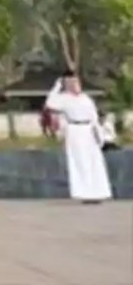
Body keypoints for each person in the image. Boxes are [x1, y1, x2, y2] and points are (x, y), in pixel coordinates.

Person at [45, 71, 113, 204]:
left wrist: (100, 136)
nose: (76, 85)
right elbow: (49, 104)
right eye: (72, 82)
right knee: (80, 162)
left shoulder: (86, 98)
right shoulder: (63, 98)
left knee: (94, 162)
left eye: (77, 82)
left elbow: (94, 117)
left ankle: (97, 192)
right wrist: (57, 86)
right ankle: (85, 193)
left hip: (89, 131)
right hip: (75, 131)